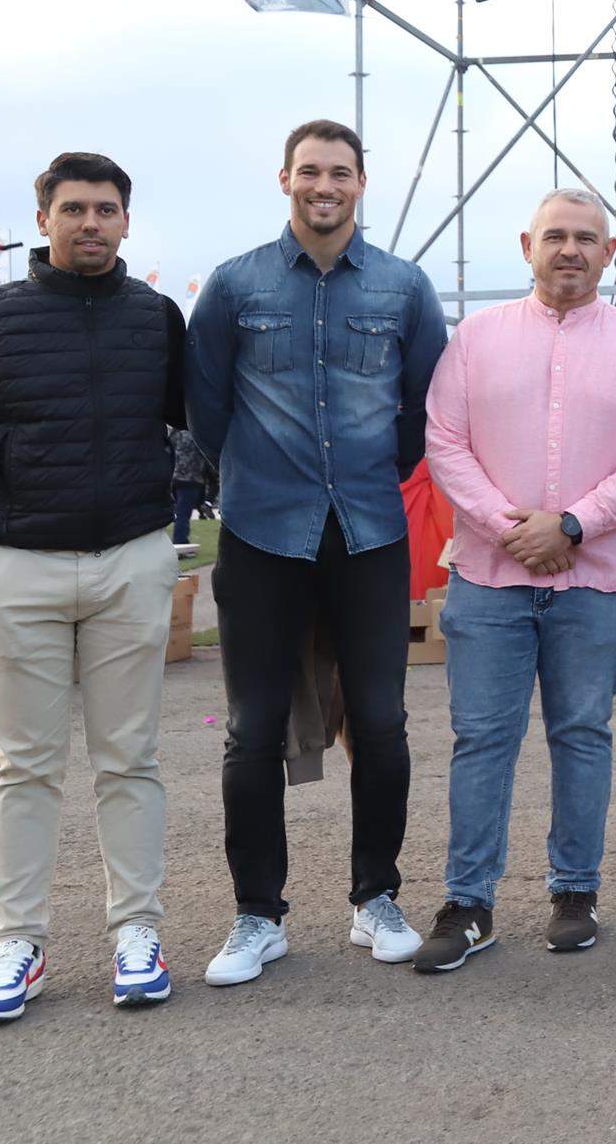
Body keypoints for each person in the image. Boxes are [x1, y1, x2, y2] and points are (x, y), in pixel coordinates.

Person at [0, 153, 188, 1024]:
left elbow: (194, 423)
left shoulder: (158, 318)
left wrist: (167, 530)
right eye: (73, 209)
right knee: (24, 766)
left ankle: (137, 931)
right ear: (43, 219)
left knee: (129, 759)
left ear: (125, 220)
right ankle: (18, 941)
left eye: (106, 210)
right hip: (18, 565)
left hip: (130, 559)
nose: (90, 224)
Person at [187, 120, 449, 985]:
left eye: (339, 172)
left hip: (370, 533)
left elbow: (421, 411)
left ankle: (376, 897)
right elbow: (207, 410)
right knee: (252, 729)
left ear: (361, 182)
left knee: (381, 722)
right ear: (284, 179)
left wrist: (373, 476)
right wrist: (260, 478)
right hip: (263, 533)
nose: (323, 185)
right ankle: (257, 915)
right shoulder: (235, 284)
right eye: (309, 171)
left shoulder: (405, 288)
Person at [413, 188, 616, 972]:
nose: (570, 249)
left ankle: (576, 889)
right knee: (482, 738)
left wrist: (570, 524)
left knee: (581, 734)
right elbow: (445, 444)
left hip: (596, 577)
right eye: (555, 236)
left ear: (611, 251)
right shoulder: (475, 339)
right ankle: (468, 901)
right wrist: (512, 527)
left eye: (586, 238)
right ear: (527, 243)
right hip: (490, 576)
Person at [170, 428, 214, 548]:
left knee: (180, 512)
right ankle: (180, 542)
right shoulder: (199, 434)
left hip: (176, 478)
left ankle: (179, 540)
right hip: (192, 479)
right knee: (183, 515)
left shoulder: (177, 433)